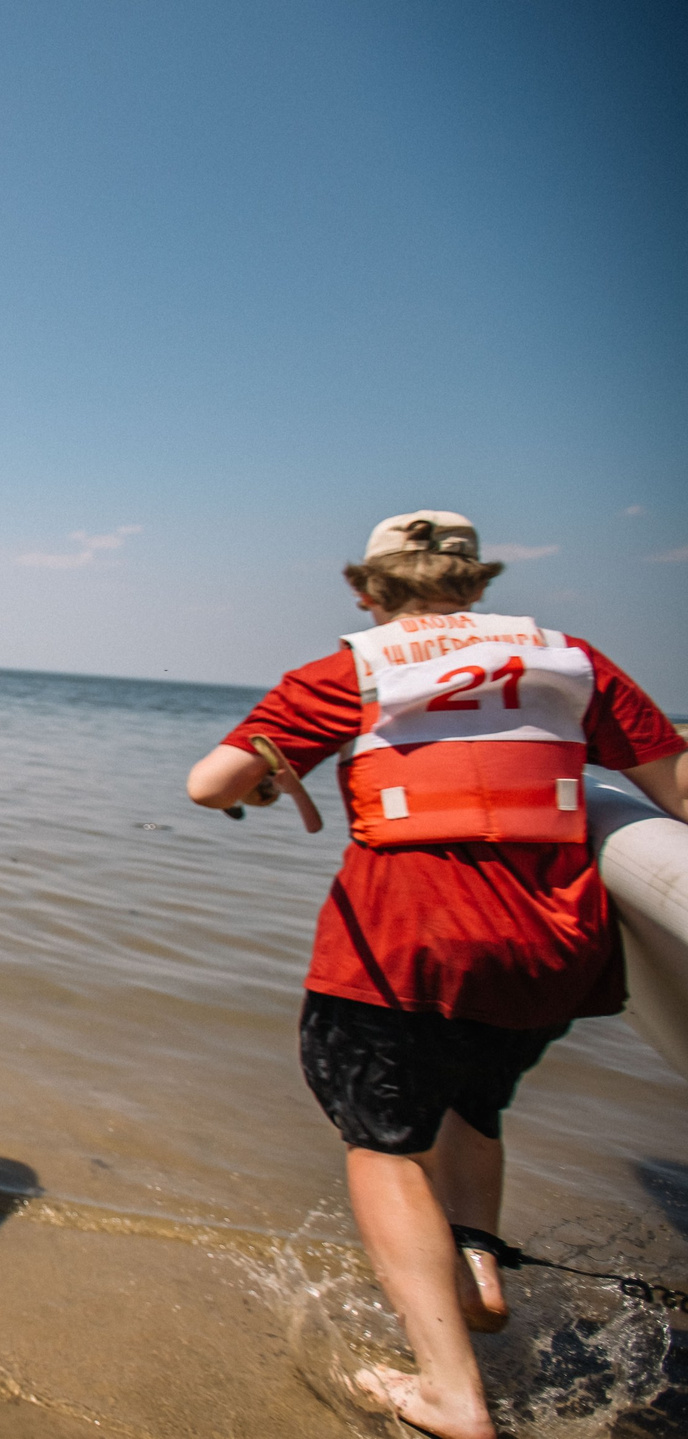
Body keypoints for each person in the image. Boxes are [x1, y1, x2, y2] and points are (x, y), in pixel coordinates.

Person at [184, 511, 685, 1439]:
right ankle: (478, 1266)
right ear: (478, 583)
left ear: (368, 588)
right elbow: (679, 785)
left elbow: (209, 784)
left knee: (383, 1145)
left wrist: (263, 780)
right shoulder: (572, 662)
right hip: (551, 951)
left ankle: (451, 1393)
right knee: (469, 1105)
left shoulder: (358, 666)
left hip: (404, 946)